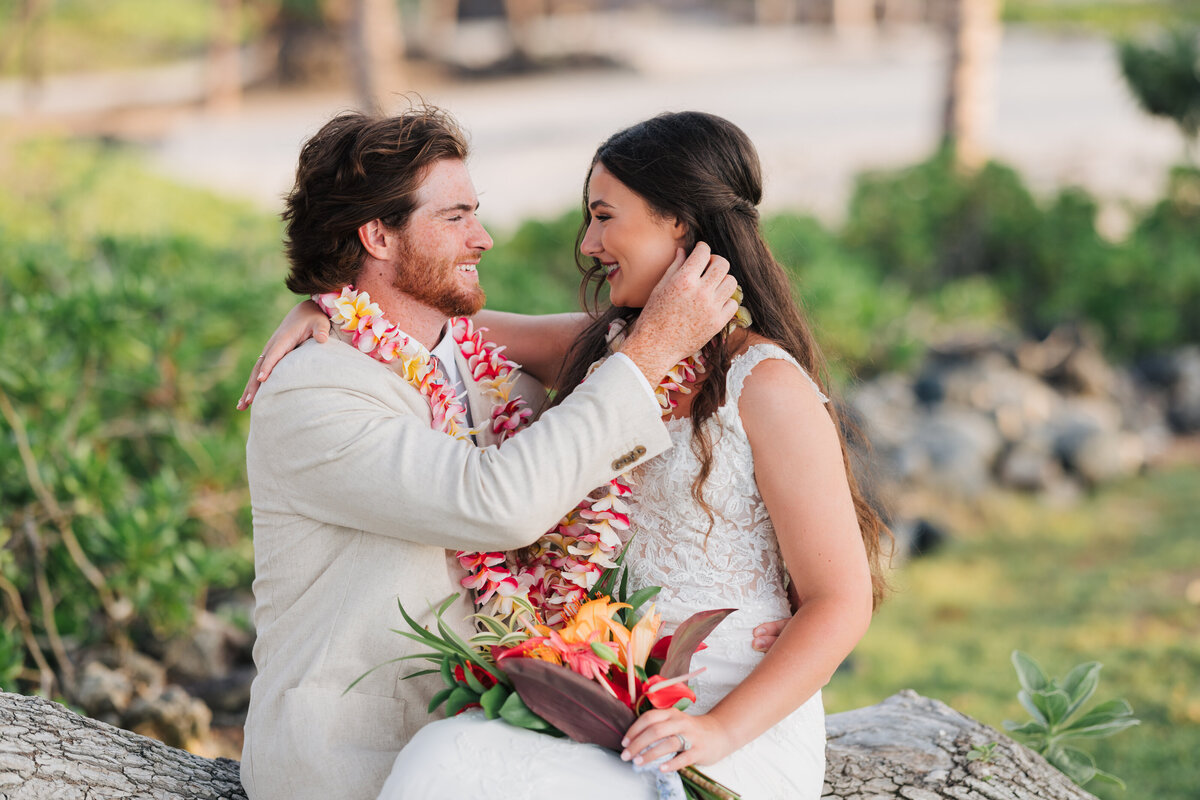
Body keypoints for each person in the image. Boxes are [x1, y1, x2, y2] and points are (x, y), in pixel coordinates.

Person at [251, 111, 890, 799]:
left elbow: (840, 597)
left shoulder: (759, 384)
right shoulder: (607, 355)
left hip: (720, 706)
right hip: (578, 703)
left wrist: (724, 727)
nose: (587, 243)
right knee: (452, 760)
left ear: (678, 222)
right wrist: (335, 307)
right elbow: (448, 363)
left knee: (454, 762)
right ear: (377, 236)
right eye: (457, 217)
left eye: (604, 215)